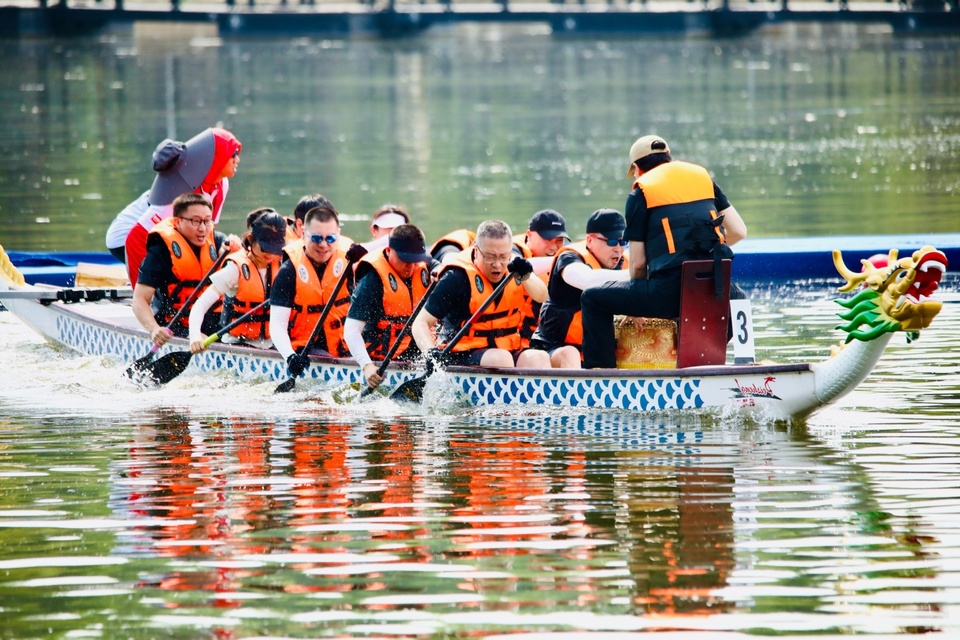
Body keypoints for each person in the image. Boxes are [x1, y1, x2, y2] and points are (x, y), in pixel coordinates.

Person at [580, 135, 748, 369]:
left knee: (592, 299)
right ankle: (715, 362)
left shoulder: (641, 193)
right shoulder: (702, 178)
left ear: (637, 169)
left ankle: (602, 375)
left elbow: (638, 264)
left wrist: (634, 301)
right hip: (717, 289)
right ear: (669, 159)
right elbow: (739, 231)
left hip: (669, 293)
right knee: (738, 296)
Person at [411, 220, 551, 370]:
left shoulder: (516, 267)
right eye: (490, 257)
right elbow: (420, 323)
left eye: (503, 256)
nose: (497, 264)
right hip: (461, 353)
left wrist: (526, 276)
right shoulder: (456, 277)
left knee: (539, 357)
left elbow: (542, 296)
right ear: (476, 250)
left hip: (506, 349)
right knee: (501, 359)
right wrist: (430, 353)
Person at [116, 128, 242, 286]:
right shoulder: (182, 192)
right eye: (233, 154)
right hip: (125, 237)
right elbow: (134, 240)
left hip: (156, 232)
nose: (237, 160)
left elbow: (207, 235)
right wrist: (142, 296)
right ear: (217, 157)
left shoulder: (221, 184)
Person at [270, 203, 365, 380]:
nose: (323, 245)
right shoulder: (288, 271)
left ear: (338, 236)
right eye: (316, 238)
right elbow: (276, 325)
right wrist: (290, 356)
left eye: (330, 239)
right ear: (303, 234)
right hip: (304, 351)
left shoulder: (351, 260)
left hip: (344, 345)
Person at [530, 209, 631, 368]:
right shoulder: (569, 258)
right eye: (611, 241)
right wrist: (636, 275)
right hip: (554, 349)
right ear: (590, 240)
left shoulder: (625, 264)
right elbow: (586, 280)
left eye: (623, 241)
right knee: (570, 353)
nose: (618, 248)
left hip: (596, 353)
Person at [131, 193, 229, 348]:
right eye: (196, 221)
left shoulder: (220, 244)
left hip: (216, 327)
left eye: (207, 221)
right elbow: (139, 300)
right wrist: (154, 329)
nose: (203, 228)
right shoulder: (161, 251)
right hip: (174, 326)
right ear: (177, 222)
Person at [344, 224, 434, 390]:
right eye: (405, 259)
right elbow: (351, 330)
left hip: (413, 352)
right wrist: (367, 366)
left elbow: (439, 263)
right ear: (389, 250)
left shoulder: (423, 266)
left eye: (415, 260)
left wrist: (441, 269)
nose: (411, 266)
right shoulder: (372, 279)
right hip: (379, 359)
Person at [187, 208, 287, 353]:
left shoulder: (283, 267)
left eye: (275, 249)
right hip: (236, 344)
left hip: (271, 344)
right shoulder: (235, 269)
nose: (271, 254)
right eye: (265, 248)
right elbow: (201, 304)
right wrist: (195, 335)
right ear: (251, 239)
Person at [512, 209, 570, 349]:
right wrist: (561, 262)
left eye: (559, 240)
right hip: (510, 343)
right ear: (529, 235)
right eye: (547, 239)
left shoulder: (568, 257)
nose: (553, 247)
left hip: (541, 341)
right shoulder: (511, 251)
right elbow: (513, 264)